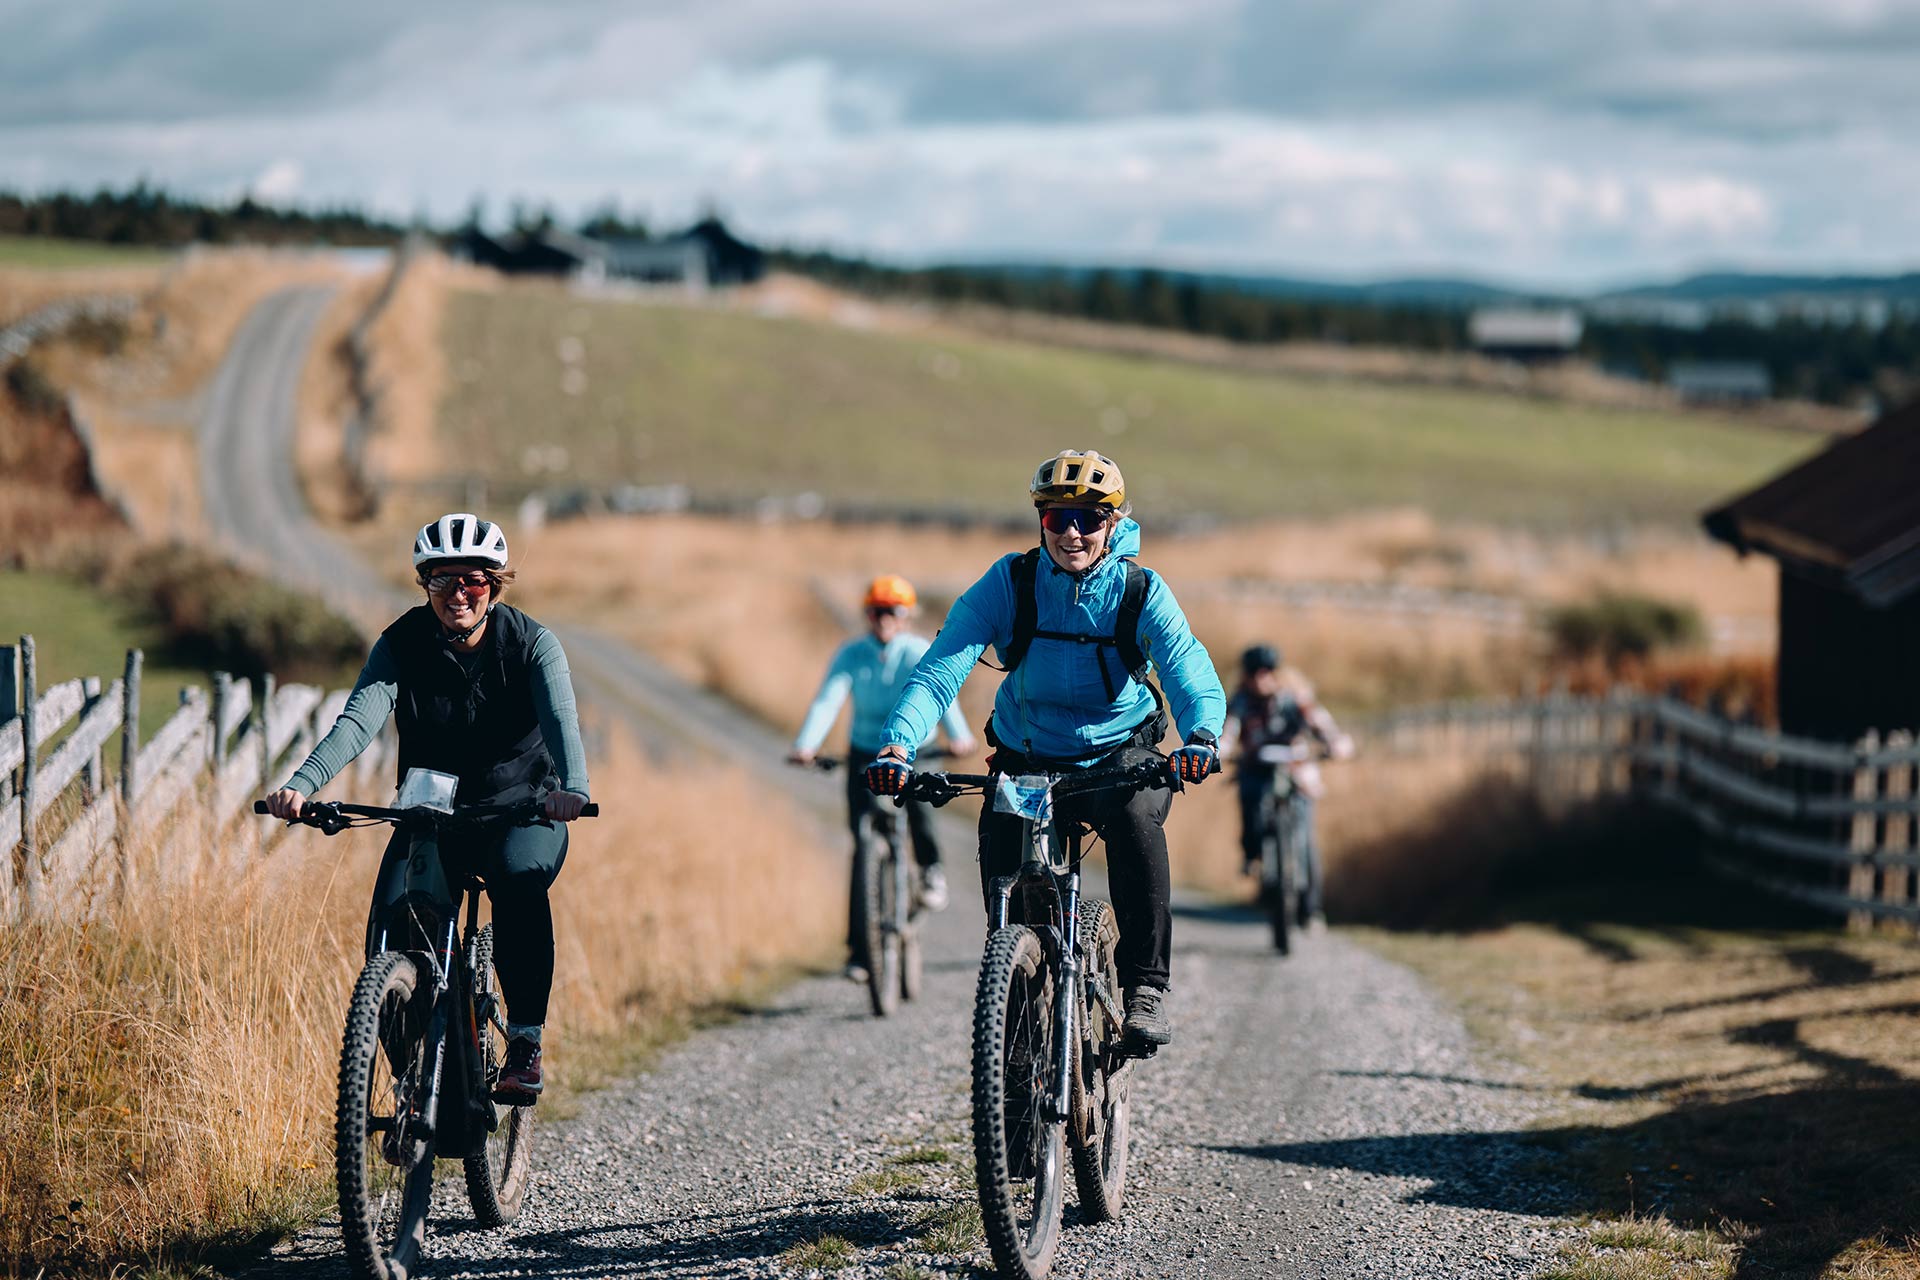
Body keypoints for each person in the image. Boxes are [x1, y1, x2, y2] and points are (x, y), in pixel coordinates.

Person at [864, 449, 1224, 1048]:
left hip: (1117, 759)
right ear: (1041, 521)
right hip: (1028, 758)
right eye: (1059, 518)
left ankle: (1144, 986)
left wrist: (1202, 737)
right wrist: (897, 747)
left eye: (1089, 518)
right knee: (1004, 866)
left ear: (1113, 523)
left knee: (1138, 823)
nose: (1073, 532)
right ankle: (1017, 984)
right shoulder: (1011, 582)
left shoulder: (1140, 591)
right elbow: (937, 673)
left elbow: (1188, 669)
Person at [265, 513, 591, 1104]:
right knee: (391, 924)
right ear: (425, 586)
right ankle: (412, 1078)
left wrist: (574, 786)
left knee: (519, 882)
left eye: (472, 581)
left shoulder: (531, 645)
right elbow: (358, 720)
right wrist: (302, 784)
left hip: (521, 808)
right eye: (443, 582)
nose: (458, 595)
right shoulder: (402, 644)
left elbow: (562, 721)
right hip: (431, 812)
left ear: (495, 584)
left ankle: (523, 1043)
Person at [788, 574, 977, 980]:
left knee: (923, 807)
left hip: (915, 750)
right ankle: (860, 952)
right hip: (863, 753)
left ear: (906, 616)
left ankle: (931, 869)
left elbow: (939, 693)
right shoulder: (851, 654)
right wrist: (806, 745)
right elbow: (828, 699)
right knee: (861, 842)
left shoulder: (916, 651)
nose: (884, 619)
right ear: (867, 615)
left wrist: (959, 737)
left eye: (892, 611)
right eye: (876, 611)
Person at [1221, 643, 1352, 922]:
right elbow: (1228, 732)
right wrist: (1220, 749)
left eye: (1266, 672)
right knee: (1249, 802)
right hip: (1257, 770)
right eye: (1254, 673)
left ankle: (1311, 909)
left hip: (1297, 772)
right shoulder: (1240, 702)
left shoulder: (1295, 697)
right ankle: (1252, 855)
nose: (1260, 679)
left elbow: (1320, 722)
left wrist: (1336, 742)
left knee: (1305, 840)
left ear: (1276, 673)